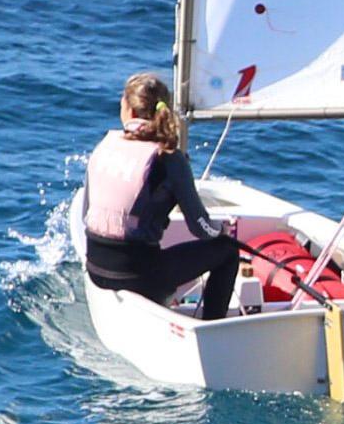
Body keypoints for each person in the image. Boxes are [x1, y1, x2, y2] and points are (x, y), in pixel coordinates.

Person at [81, 73, 239, 320]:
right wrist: (220, 232)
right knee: (227, 251)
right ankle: (212, 328)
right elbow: (200, 228)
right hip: (139, 277)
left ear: (129, 111)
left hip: (96, 269)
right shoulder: (169, 158)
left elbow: (86, 215)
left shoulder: (104, 146)